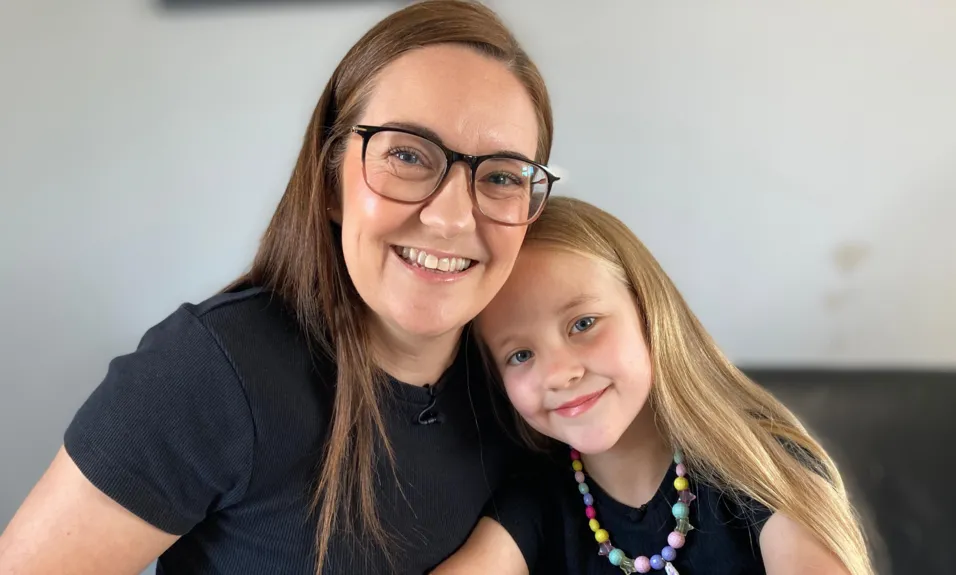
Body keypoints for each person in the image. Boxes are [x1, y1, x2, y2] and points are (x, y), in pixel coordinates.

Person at [0, 1, 559, 574]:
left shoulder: (524, 374)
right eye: (406, 154)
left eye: (500, 176)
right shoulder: (206, 371)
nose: (452, 219)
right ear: (331, 181)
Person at [433, 197, 875, 575]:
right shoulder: (536, 501)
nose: (558, 373)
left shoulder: (759, 465)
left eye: (583, 324)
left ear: (649, 312)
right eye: (520, 355)